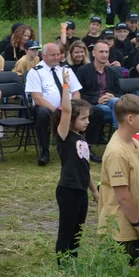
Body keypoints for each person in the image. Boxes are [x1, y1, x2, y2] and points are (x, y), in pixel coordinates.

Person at [97, 94, 139, 263]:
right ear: (130, 118)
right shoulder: (117, 152)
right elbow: (123, 197)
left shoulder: (136, 144)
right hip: (122, 231)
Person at [26, 42, 101, 166]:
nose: (57, 57)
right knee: (41, 113)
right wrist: (58, 110)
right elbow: (37, 98)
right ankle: (45, 151)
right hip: (49, 109)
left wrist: (73, 107)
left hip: (70, 108)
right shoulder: (35, 72)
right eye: (53, 55)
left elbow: (76, 92)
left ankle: (87, 148)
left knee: (96, 111)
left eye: (58, 54)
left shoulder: (66, 69)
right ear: (44, 56)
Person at [53, 75, 98, 261]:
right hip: (68, 190)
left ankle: (73, 260)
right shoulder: (64, 136)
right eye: (83, 118)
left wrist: (94, 191)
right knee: (67, 229)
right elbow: (66, 111)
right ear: (71, 120)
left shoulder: (82, 139)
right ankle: (62, 263)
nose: (87, 122)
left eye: (88, 118)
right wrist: (66, 85)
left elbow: (85, 169)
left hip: (81, 191)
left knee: (78, 230)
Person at [76, 41, 122, 142]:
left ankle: (120, 137)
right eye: (101, 52)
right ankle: (122, 138)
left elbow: (119, 92)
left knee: (116, 101)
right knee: (120, 110)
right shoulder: (83, 71)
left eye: (106, 52)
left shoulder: (112, 72)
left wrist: (113, 95)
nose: (104, 55)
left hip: (111, 103)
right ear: (93, 53)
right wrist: (97, 100)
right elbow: (78, 94)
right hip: (93, 105)